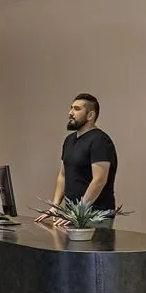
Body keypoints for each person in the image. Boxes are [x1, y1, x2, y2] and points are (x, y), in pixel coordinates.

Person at [35, 93, 119, 229]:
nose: (70, 113)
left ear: (90, 115)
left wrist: (78, 212)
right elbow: (63, 175)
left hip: (94, 216)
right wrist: (55, 207)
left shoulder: (100, 141)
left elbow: (99, 180)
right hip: (71, 215)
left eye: (77, 109)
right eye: (71, 108)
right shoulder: (69, 140)